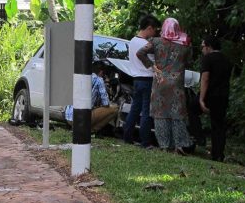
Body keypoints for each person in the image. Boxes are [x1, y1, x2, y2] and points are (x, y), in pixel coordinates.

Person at [136, 18, 193, 153]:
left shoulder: (155, 42)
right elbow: (189, 61)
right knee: (177, 113)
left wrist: (152, 66)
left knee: (160, 114)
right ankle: (179, 145)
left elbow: (140, 53)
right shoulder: (185, 44)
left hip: (160, 83)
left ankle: (164, 146)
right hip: (176, 84)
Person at [123, 14, 161, 147]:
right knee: (146, 111)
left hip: (136, 79)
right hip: (147, 79)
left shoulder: (132, 41)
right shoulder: (146, 44)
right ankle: (145, 141)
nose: (155, 33)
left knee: (135, 109)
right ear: (149, 28)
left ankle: (127, 136)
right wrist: (153, 66)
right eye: (155, 30)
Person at [199, 35, 232, 162]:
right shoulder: (226, 59)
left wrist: (201, 98)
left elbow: (205, 78)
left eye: (202, 46)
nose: (202, 49)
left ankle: (199, 137)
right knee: (219, 125)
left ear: (208, 47)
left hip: (210, 95)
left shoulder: (208, 59)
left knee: (191, 108)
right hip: (223, 95)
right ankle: (218, 153)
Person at [65, 61, 118, 133]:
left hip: (68, 117)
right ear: (101, 72)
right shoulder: (99, 80)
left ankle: (76, 128)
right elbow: (106, 103)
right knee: (115, 109)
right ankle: (91, 130)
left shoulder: (81, 76)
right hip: (81, 119)